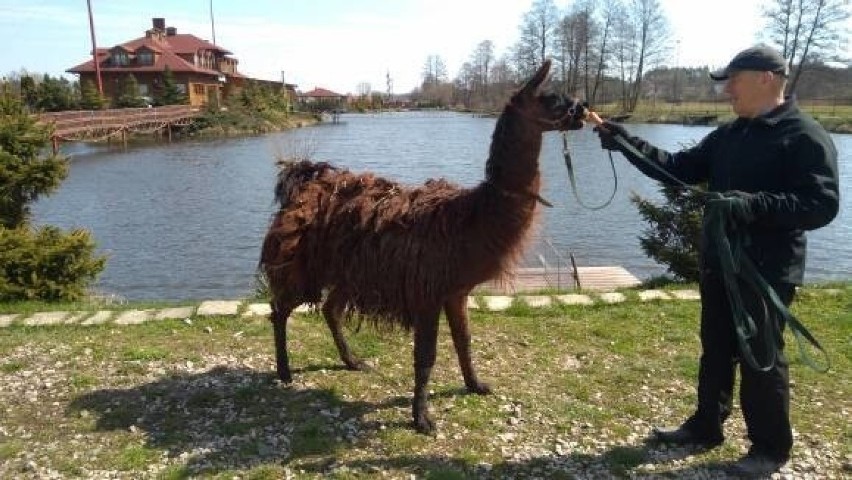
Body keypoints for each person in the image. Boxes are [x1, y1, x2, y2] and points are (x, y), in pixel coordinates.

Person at [594, 45, 839, 477]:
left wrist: (754, 204)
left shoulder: (804, 135)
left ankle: (769, 448)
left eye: (734, 81)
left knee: (761, 357)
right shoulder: (732, 134)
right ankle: (706, 426)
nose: (727, 91)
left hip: (765, 270)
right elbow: (678, 167)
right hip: (719, 263)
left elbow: (821, 205)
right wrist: (624, 140)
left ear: (765, 78)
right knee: (717, 349)